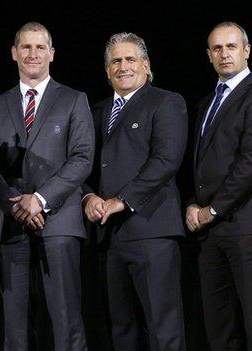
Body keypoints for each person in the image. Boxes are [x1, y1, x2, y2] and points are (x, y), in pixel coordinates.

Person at [0, 22, 94, 350]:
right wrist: (17, 204)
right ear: (14, 53)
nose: (33, 54)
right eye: (26, 47)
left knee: (66, 319)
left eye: (40, 47)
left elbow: (82, 159)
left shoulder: (74, 99)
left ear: (52, 54)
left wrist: (40, 199)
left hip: (59, 220)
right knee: (14, 327)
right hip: (12, 223)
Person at [83, 32, 187, 351]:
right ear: (107, 69)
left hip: (152, 231)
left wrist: (121, 200)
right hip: (108, 237)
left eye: (131, 59)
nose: (123, 66)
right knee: (121, 330)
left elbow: (166, 160)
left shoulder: (166, 101)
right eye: (116, 60)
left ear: (146, 65)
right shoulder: (96, 110)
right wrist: (87, 196)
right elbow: (81, 162)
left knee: (163, 330)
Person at [186, 22, 252, 350]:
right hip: (211, 233)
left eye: (230, 47)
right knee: (219, 327)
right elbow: (200, 165)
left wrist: (212, 209)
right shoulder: (205, 104)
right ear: (209, 56)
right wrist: (192, 204)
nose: (224, 54)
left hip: (248, 227)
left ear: (246, 51)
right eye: (217, 48)